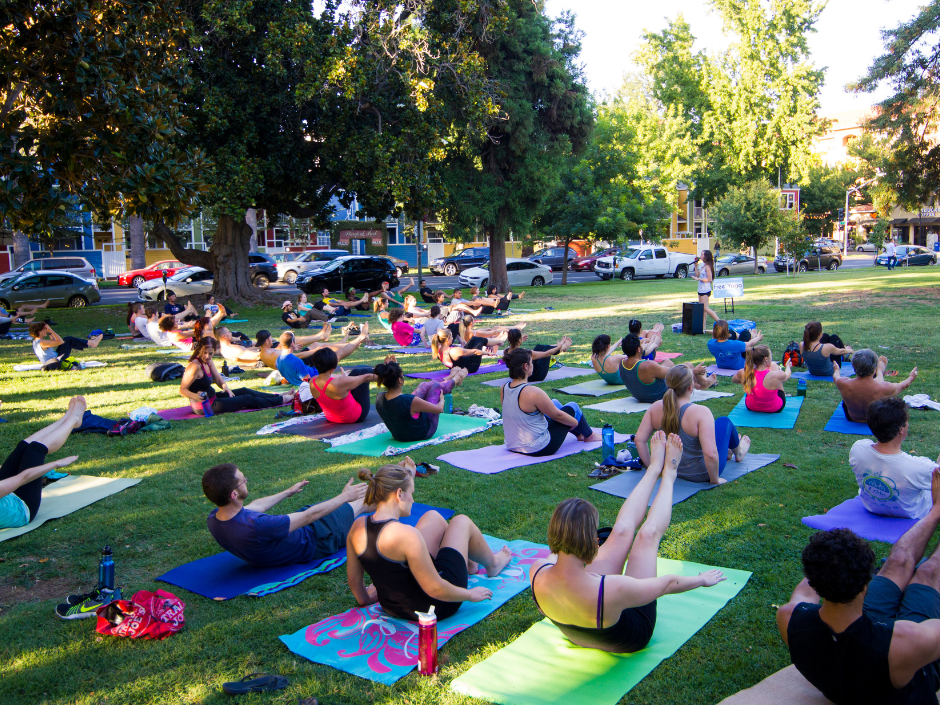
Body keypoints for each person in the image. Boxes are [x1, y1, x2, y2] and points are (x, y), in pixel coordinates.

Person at [529, 432, 726, 652]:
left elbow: (560, 553)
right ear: (592, 541)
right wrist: (702, 579)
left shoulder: (537, 570)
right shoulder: (612, 588)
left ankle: (653, 469)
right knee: (647, 535)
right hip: (630, 634)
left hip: (583, 625)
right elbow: (668, 584)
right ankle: (669, 473)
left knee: (621, 530)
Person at [776, 492, 940, 705]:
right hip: (902, 663)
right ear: (866, 583)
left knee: (898, 561)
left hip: (864, 628)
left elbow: (807, 586)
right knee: (930, 571)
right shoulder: (908, 640)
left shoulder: (789, 618)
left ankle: (937, 510)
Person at [346, 463, 513, 621]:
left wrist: (367, 599)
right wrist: (470, 594)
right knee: (461, 522)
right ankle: (493, 564)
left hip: (392, 607)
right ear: (399, 494)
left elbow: (354, 581)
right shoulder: (406, 535)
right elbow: (435, 588)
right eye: (411, 494)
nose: (412, 500)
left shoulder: (357, 527)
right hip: (435, 607)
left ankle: (468, 564)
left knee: (432, 516)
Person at [202, 462, 368, 567]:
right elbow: (309, 517)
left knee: (348, 502)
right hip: (319, 538)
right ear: (234, 494)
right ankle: (385, 492)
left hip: (306, 529)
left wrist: (287, 492)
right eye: (243, 481)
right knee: (360, 502)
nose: (246, 481)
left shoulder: (215, 518)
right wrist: (344, 497)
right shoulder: (258, 526)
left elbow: (256, 506)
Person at [634, 365, 750, 484]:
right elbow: (710, 454)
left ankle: (729, 451)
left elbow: (639, 440)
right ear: (690, 387)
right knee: (724, 422)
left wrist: (654, 468)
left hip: (669, 469)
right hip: (701, 474)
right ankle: (739, 452)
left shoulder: (655, 407)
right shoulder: (700, 412)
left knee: (716, 430)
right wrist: (715, 479)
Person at [0, 396, 83, 529]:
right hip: (23, 506)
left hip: (5, 496)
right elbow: (24, 477)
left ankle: (67, 419)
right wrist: (55, 463)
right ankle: (73, 419)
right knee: (35, 449)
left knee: (23, 446)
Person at [850, 397, 939, 520]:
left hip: (871, 508)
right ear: (901, 429)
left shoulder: (858, 449)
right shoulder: (920, 467)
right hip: (910, 515)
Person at [500, 347, 600, 456]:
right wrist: (575, 423)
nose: (533, 365)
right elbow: (558, 416)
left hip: (513, 445)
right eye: (531, 362)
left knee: (555, 403)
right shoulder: (533, 392)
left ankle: (579, 435)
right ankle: (590, 435)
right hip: (539, 447)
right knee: (572, 407)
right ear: (525, 366)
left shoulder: (504, 388)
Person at [179, 337, 291, 415]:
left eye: (210, 353)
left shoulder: (208, 361)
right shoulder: (194, 366)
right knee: (246, 399)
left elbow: (218, 379)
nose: (207, 356)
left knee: (244, 390)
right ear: (199, 350)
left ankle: (277, 396)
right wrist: (196, 396)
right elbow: (182, 390)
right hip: (205, 406)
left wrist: (225, 387)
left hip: (213, 398)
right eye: (205, 352)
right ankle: (282, 399)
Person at [374, 359, 467, 442]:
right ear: (400, 380)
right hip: (423, 432)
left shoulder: (379, 398)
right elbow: (439, 409)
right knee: (436, 387)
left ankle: (450, 377)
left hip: (398, 434)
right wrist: (442, 399)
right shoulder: (410, 401)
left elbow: (401, 405)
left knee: (423, 385)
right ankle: (457, 378)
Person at [619, 333, 715, 403]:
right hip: (659, 395)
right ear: (638, 349)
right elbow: (676, 373)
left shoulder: (622, 364)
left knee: (667, 362)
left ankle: (696, 383)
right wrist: (694, 371)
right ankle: (704, 383)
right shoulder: (646, 366)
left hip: (641, 396)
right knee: (688, 365)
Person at [835, 349, 918, 423]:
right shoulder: (885, 387)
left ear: (853, 367)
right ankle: (880, 371)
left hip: (853, 418)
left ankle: (880, 371)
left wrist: (836, 369)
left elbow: (836, 377)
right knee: (888, 399)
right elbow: (904, 385)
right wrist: (911, 377)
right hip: (876, 421)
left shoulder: (843, 383)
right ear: (874, 368)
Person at [306, 347, 376, 424]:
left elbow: (329, 381)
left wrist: (343, 378)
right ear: (334, 366)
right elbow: (366, 377)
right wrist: (385, 373)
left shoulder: (312, 381)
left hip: (331, 417)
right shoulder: (340, 383)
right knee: (365, 372)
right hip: (354, 417)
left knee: (356, 372)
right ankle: (386, 370)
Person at [731, 345, 792, 413]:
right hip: (774, 408)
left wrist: (745, 380)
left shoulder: (743, 372)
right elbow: (787, 375)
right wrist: (788, 366)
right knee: (777, 377)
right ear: (766, 359)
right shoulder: (777, 374)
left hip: (751, 406)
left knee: (775, 377)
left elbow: (734, 380)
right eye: (771, 357)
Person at [505, 329, 571, 383]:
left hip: (517, 374)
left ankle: (560, 345)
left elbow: (515, 348)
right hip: (535, 376)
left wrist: (519, 341)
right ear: (519, 340)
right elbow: (547, 354)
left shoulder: (506, 352)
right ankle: (563, 347)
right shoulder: (525, 353)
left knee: (539, 347)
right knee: (546, 350)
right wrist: (558, 348)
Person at [29, 323, 102, 367]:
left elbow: (54, 341)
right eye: (44, 329)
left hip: (54, 360)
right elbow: (60, 342)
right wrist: (51, 330)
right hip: (56, 361)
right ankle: (92, 343)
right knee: (68, 339)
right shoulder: (42, 343)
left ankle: (91, 343)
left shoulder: (37, 342)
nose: (45, 330)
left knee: (68, 340)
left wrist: (49, 333)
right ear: (40, 332)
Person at [430, 328, 499, 374]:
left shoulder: (437, 350)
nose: (453, 338)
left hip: (459, 366)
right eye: (451, 336)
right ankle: (500, 342)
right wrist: (487, 353)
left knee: (474, 339)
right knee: (480, 340)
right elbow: (475, 352)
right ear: (447, 339)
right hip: (471, 366)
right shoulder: (454, 350)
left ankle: (499, 341)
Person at [691, 250, 720, 324]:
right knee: (702, 309)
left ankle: (719, 321)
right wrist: (696, 266)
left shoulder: (708, 267)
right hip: (700, 289)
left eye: (702, 254)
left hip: (705, 289)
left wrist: (699, 279)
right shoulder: (703, 265)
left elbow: (710, 279)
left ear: (706, 256)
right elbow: (697, 275)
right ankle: (703, 326)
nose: (700, 256)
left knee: (705, 308)